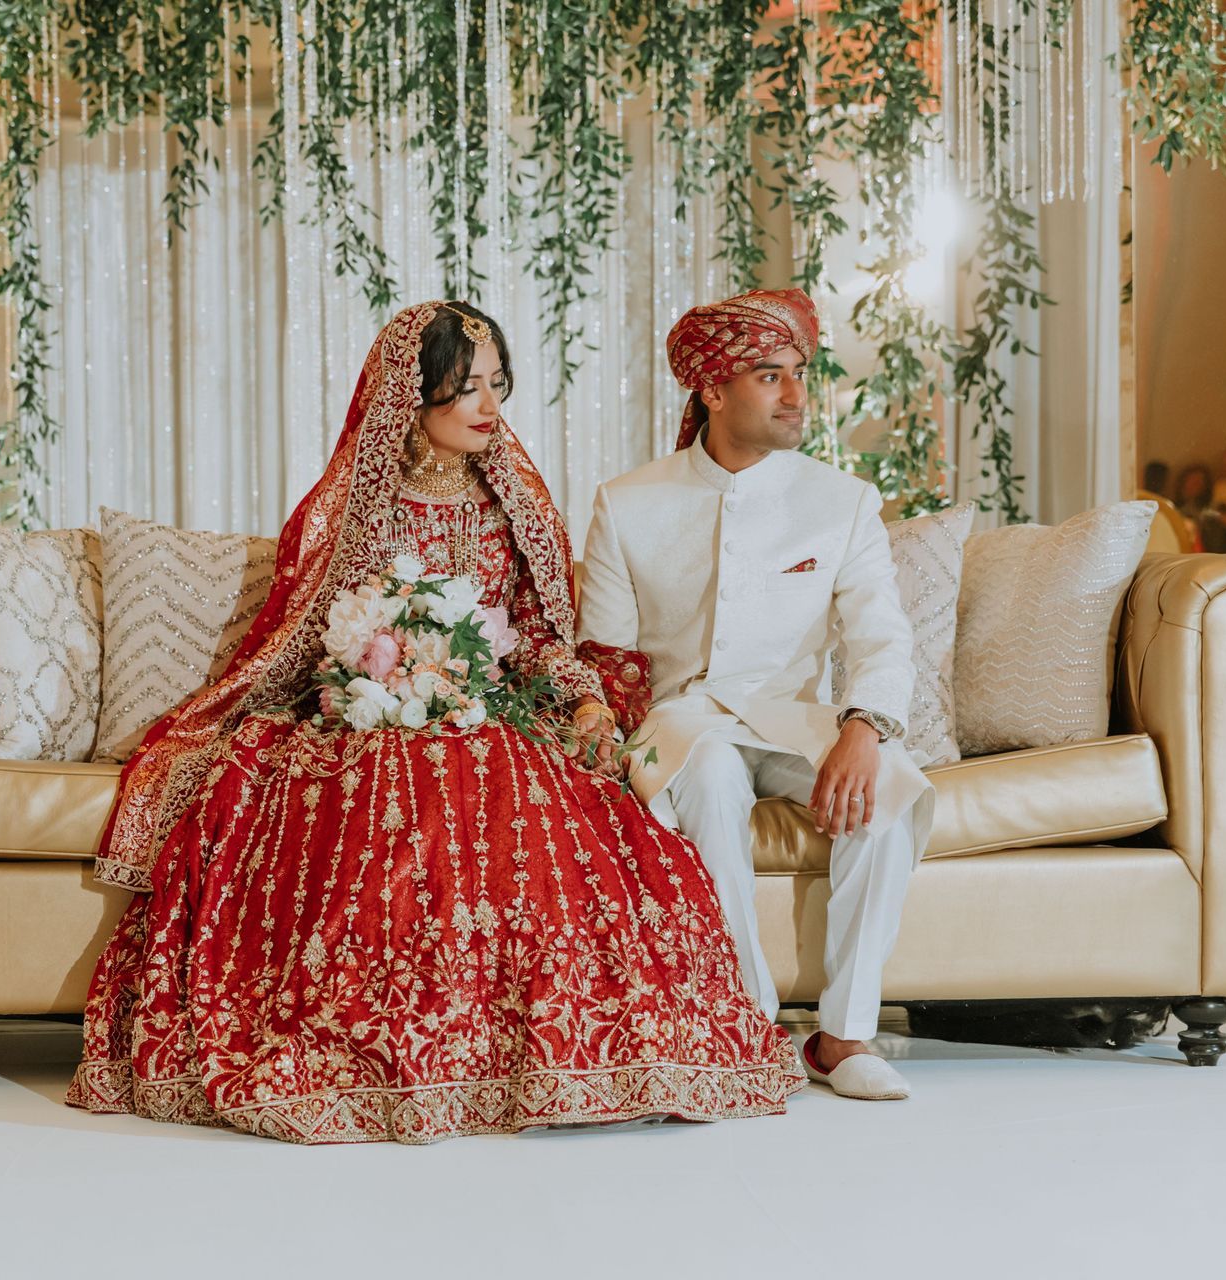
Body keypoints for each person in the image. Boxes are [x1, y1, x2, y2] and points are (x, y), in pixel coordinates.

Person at [67, 301, 803, 1143]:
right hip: (374, 712)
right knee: (400, 785)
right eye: (466, 390)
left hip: (490, 712)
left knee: (533, 795)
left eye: (498, 386)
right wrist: (389, 673)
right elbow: (311, 636)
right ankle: (399, 1052)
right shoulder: (358, 510)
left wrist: (585, 694)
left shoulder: (513, 504)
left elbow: (536, 639)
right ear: (410, 402)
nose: (490, 408)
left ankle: (550, 1049)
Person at [575, 289, 933, 1101]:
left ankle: (843, 1038)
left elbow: (881, 635)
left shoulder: (841, 502)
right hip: (677, 719)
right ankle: (747, 1025)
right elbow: (605, 658)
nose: (797, 397)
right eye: (771, 376)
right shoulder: (627, 503)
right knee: (705, 776)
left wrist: (865, 727)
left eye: (800, 373)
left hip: (793, 717)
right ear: (711, 389)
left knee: (893, 793)